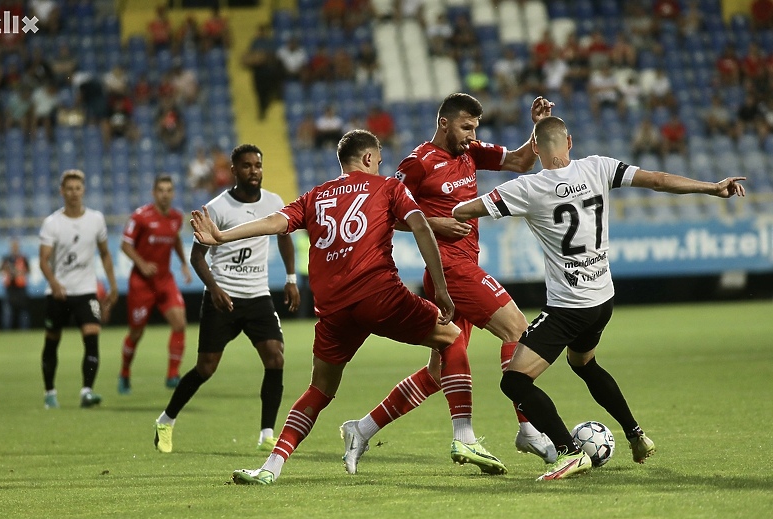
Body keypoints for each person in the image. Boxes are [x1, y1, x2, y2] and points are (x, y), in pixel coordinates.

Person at [452, 116, 746, 480]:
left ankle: (568, 451)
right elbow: (656, 179)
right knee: (584, 364)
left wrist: (452, 214)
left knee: (514, 382)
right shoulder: (599, 167)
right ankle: (637, 434)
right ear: (569, 143)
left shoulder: (526, 188)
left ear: (538, 150)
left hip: (568, 307)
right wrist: (711, 188)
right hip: (602, 299)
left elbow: (465, 210)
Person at [190, 129, 469, 485]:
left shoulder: (316, 195)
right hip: (380, 296)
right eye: (379, 159)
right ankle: (464, 436)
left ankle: (270, 468)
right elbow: (420, 227)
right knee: (453, 338)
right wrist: (441, 289)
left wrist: (222, 236)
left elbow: (277, 222)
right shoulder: (388, 187)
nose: (381, 164)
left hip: (333, 311)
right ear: (369, 158)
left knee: (319, 389)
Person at [343, 93, 558, 474]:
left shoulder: (471, 152)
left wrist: (537, 128)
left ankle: (361, 429)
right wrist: (435, 223)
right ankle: (526, 427)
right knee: (518, 329)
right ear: (444, 123)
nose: (472, 134)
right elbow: (386, 210)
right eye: (466, 126)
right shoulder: (419, 162)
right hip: (449, 269)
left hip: (464, 265)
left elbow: (522, 161)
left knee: (439, 373)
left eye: (476, 127)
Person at [153, 144, 300, 454]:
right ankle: (166, 420)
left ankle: (266, 434)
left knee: (275, 357)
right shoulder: (217, 208)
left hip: (258, 296)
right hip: (224, 298)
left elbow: (285, 237)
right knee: (206, 368)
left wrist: (290, 278)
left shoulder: (274, 202)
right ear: (233, 171)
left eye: (258, 165)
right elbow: (197, 257)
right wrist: (215, 288)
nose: (254, 171)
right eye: (246, 166)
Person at [39, 170, 119, 409]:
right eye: (69, 188)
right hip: (59, 292)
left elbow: (105, 253)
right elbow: (43, 260)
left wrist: (113, 285)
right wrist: (54, 283)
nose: (74, 193)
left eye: (78, 188)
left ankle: (87, 391)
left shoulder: (96, 219)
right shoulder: (52, 223)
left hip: (86, 290)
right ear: (62, 192)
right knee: (52, 341)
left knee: (92, 337)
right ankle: (50, 392)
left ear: (83, 190)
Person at [118, 175, 193, 394]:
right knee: (136, 332)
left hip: (164, 280)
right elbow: (125, 244)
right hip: (141, 283)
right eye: (161, 190)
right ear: (153, 193)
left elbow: (175, 238)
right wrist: (141, 264)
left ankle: (172, 375)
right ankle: (124, 373)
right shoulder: (141, 217)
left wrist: (183, 264)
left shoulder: (176, 217)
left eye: (169, 190)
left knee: (179, 322)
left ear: (173, 193)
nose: (165, 194)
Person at [0, 239, 31, 330]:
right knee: (7, 310)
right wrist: (6, 269)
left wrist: (18, 272)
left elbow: (28, 271)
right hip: (10, 287)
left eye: (16, 247)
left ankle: (25, 329)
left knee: (23, 310)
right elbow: (0, 270)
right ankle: (6, 330)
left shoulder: (23, 258)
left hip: (20, 287)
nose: (14, 249)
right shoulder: (6, 259)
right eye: (13, 247)